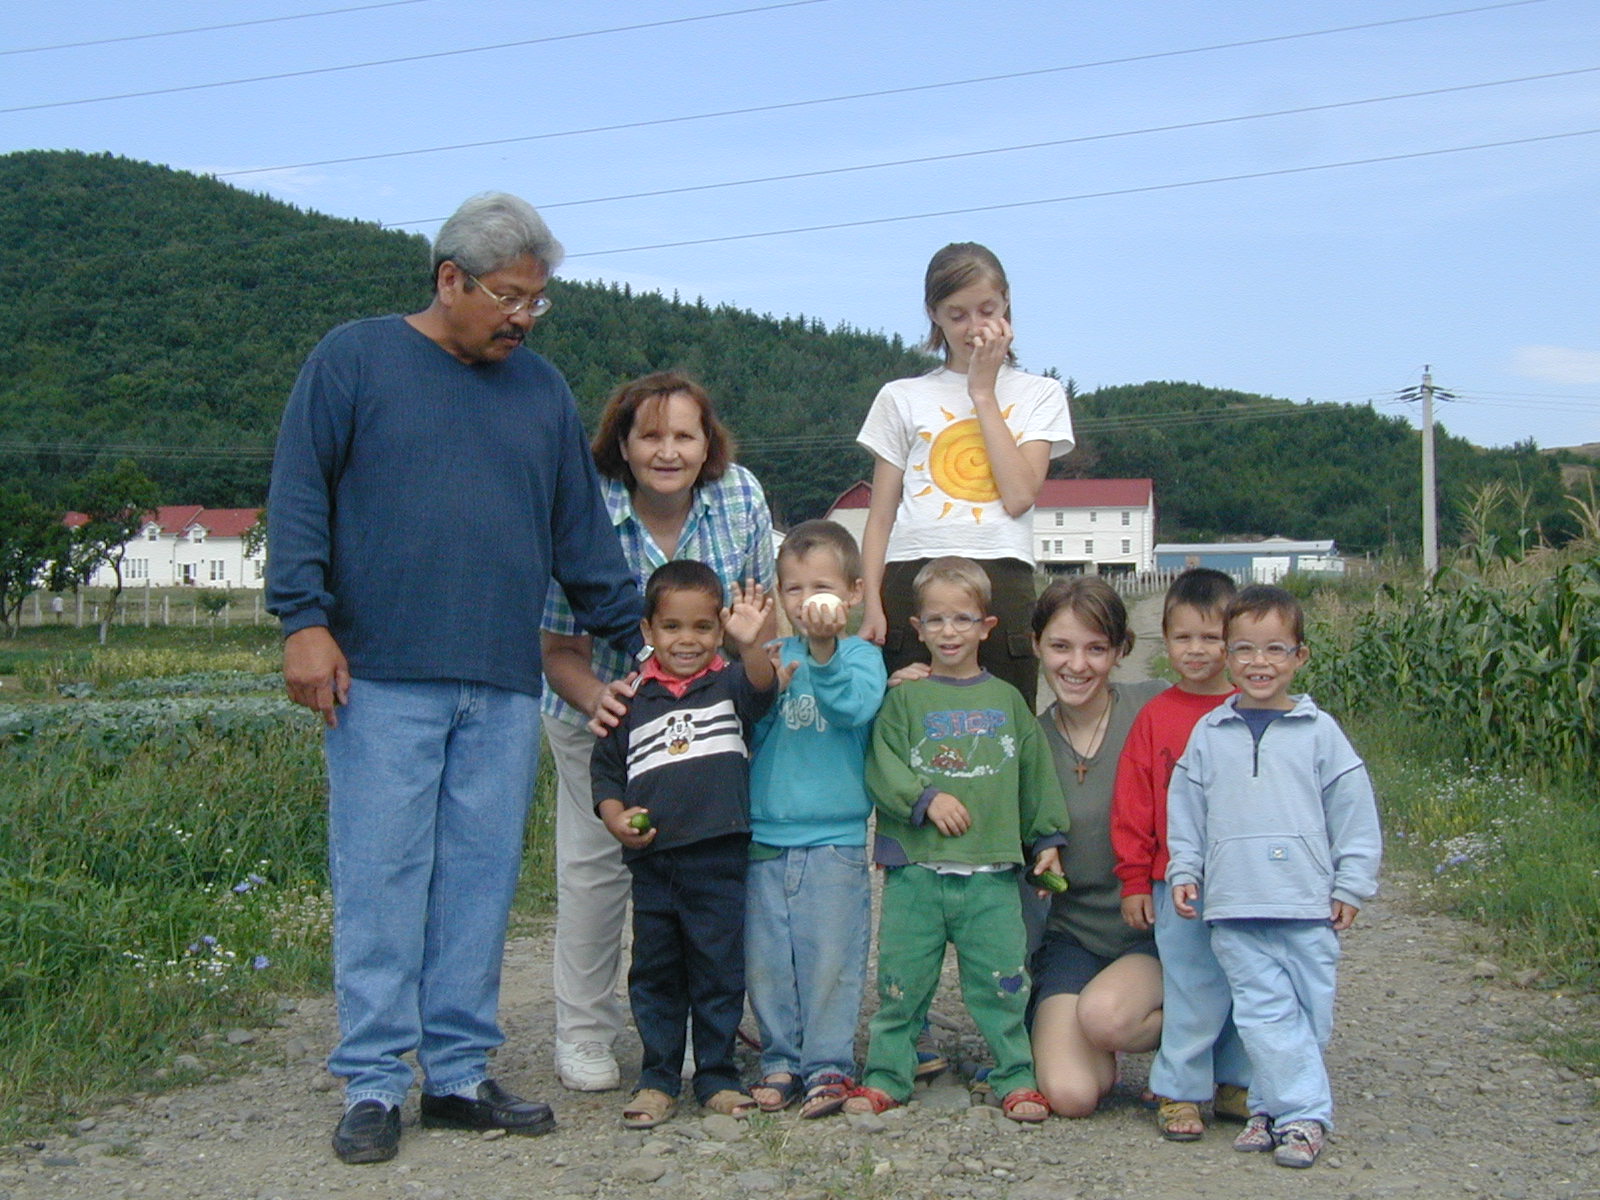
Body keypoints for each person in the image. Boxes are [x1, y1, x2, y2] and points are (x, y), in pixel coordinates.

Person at [266, 192, 644, 1166]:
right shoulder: (354, 360)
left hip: (502, 677)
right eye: (509, 297)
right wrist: (303, 622)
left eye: (536, 301)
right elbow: (300, 491)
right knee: (383, 873)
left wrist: (644, 644)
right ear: (450, 280)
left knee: (479, 880)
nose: (523, 316)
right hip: (379, 673)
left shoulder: (541, 392)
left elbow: (580, 535)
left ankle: (461, 1075)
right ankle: (376, 1081)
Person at [540, 370, 775, 1093]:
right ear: (622, 442)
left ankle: (723, 1015)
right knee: (597, 870)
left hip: (713, 719)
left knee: (723, 866)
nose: (667, 451)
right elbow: (556, 650)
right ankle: (584, 1031)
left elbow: (765, 619)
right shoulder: (584, 503)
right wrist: (600, 701)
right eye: (650, 435)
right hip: (606, 713)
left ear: (708, 445)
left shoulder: (741, 495)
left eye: (684, 435)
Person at [1167, 585, 1382, 1169]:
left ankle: (1267, 1103)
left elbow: (1354, 814)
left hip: (1307, 905)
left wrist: (1351, 884)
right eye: (1243, 650)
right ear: (1227, 658)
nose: (1258, 663)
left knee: (1310, 1012)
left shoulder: (1320, 733)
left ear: (1300, 657)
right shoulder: (1209, 735)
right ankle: (1305, 1116)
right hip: (1235, 904)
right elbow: (1186, 812)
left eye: (1275, 650)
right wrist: (1185, 868)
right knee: (1261, 1013)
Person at [846, 557, 1066, 1123]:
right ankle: (888, 1075)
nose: (949, 632)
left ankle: (1015, 1074)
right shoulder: (905, 698)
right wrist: (924, 799)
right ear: (916, 628)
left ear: (987, 627)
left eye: (963, 619)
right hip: (917, 871)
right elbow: (881, 764)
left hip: (990, 870)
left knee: (1002, 982)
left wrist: (1046, 837)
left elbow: (1035, 776)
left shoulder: (1008, 703)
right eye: (936, 620)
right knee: (901, 983)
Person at [590, 561, 776, 1128]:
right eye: (672, 627)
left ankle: (718, 1073)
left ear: (719, 631)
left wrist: (752, 645)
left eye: (701, 627)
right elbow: (604, 775)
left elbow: (764, 686)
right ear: (648, 631)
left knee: (718, 969)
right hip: (654, 864)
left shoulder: (729, 685)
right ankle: (659, 1076)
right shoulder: (629, 701)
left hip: (718, 856)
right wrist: (616, 818)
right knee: (656, 971)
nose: (687, 640)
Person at [856, 242, 1074, 700]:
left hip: (1001, 576)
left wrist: (982, 392)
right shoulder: (901, 396)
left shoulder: (1041, 394)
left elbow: (1018, 496)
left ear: (1007, 301)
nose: (974, 328)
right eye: (957, 315)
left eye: (986, 309)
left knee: (1002, 724)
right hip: (911, 577)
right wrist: (872, 604)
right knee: (908, 720)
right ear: (932, 314)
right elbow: (879, 517)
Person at [744, 520, 887, 1120]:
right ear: (779, 597)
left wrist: (825, 656)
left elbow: (852, 707)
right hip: (765, 838)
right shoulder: (772, 659)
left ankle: (828, 1063)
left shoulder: (861, 657)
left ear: (853, 593)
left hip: (835, 841)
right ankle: (780, 1057)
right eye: (794, 589)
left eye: (822, 586)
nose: (808, 601)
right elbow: (747, 731)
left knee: (831, 955)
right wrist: (760, 676)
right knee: (768, 959)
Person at [1109, 568, 1250, 1140]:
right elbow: (1134, 805)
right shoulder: (1156, 717)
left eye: (1212, 638)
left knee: (1248, 981)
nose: (1198, 650)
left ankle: (1237, 1080)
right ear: (1164, 641)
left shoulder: (1252, 709)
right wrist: (1136, 880)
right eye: (1184, 637)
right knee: (1192, 983)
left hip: (1245, 880)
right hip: (1176, 879)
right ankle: (1179, 1088)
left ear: (1233, 641)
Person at [1028, 576, 1166, 1118]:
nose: (1077, 665)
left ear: (1120, 650)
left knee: (1107, 1018)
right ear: (1036, 644)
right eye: (1061, 646)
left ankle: (1207, 1032)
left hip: (1153, 934)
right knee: (1071, 1094)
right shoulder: (1025, 739)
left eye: (1096, 648)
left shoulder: (1153, 708)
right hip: (1072, 939)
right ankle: (1100, 1030)